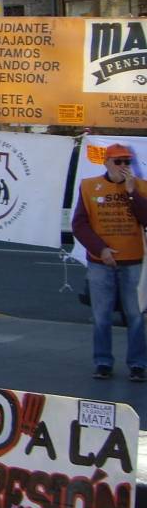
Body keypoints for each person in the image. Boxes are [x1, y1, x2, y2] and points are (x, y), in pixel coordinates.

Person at [72, 143, 147, 382]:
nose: (124, 166)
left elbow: (145, 219)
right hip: (99, 262)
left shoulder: (141, 186)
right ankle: (103, 362)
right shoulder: (88, 186)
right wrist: (100, 249)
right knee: (102, 315)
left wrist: (132, 191)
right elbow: (80, 224)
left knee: (135, 316)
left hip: (133, 261)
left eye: (127, 161)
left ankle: (137, 364)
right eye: (118, 161)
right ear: (106, 162)